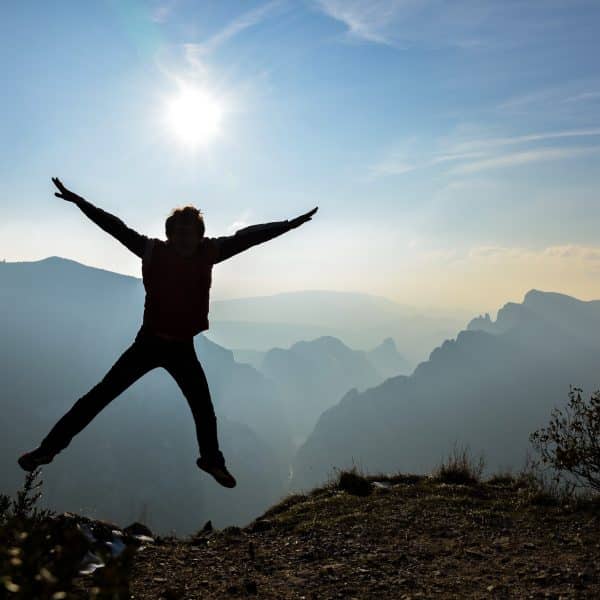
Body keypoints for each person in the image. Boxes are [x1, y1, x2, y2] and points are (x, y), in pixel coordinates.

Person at [17, 177, 318, 488]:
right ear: (170, 235)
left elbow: (248, 237)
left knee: (203, 408)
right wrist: (80, 202)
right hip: (148, 343)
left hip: (181, 348)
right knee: (98, 397)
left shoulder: (209, 251)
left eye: (191, 233)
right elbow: (114, 226)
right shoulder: (153, 251)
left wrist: (288, 225)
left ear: (200, 235)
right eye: (179, 234)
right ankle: (47, 450)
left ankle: (212, 461)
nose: (185, 239)